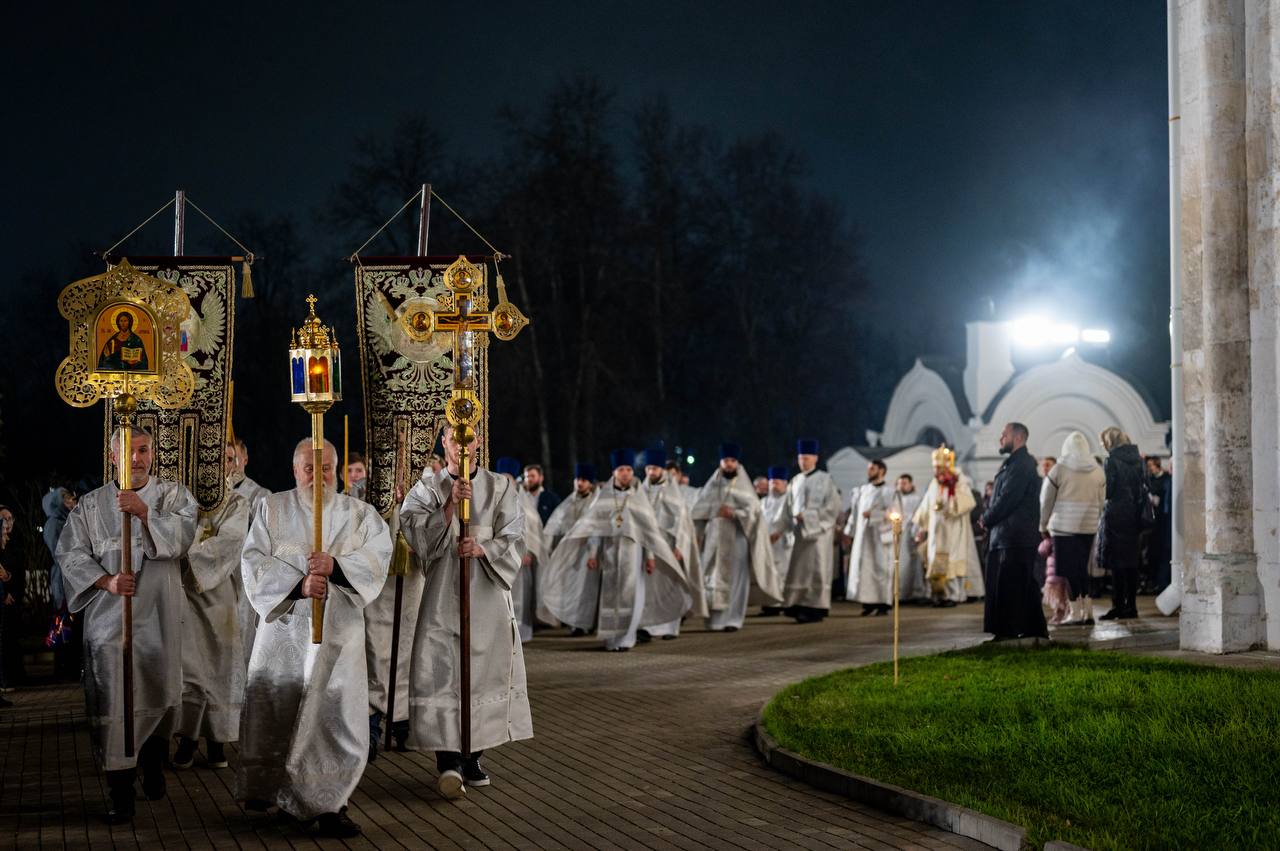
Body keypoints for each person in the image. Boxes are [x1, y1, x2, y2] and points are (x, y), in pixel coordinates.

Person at [237, 438, 390, 836]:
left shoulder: (359, 514)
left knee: (336, 718)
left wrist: (336, 566)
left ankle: (331, 804)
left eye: (325, 468)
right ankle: (286, 797)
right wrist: (298, 585)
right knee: (282, 713)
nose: (317, 476)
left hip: (339, 637)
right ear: (295, 470)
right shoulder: (271, 508)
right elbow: (252, 561)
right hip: (285, 636)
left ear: (336, 470)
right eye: (309, 468)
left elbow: (378, 556)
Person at [57, 428, 198, 823]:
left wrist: (145, 512)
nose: (137, 458)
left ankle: (153, 762)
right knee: (114, 700)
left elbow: (184, 538)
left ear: (153, 453)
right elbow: (70, 553)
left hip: (160, 616)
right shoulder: (90, 505)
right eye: (128, 451)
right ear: (112, 456)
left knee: (157, 692)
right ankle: (120, 790)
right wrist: (106, 581)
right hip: (110, 621)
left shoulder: (173, 496)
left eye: (144, 450)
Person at [399, 426, 532, 800]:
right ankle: (448, 760)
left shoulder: (500, 487)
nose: (461, 445)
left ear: (479, 442)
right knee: (441, 671)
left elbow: (515, 536)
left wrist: (483, 548)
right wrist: (449, 506)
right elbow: (414, 532)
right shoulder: (428, 488)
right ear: (444, 442)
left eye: (468, 438)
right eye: (454, 439)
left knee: (483, 673)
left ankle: (473, 756)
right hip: (442, 597)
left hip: (486, 595)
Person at [541, 450, 686, 652]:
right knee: (610, 595)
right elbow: (594, 527)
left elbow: (648, 531)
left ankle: (626, 639)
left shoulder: (639, 496)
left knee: (631, 594)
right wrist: (593, 554)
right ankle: (611, 639)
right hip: (609, 551)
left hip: (633, 552)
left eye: (628, 469)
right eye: (621, 470)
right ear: (614, 472)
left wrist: (651, 556)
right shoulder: (604, 496)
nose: (625, 473)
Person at [173, 489, 251, 770]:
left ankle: (218, 741)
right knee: (189, 668)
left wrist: (187, 554)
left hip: (218, 594)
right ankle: (188, 738)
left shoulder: (235, 501)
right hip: (181, 591)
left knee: (220, 666)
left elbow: (231, 542)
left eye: (228, 463)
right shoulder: (178, 495)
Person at [692, 443, 779, 631]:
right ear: (721, 462)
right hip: (715, 538)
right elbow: (698, 510)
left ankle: (733, 619)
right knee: (713, 577)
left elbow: (754, 511)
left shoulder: (744, 485)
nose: (729, 464)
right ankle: (715, 621)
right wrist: (699, 532)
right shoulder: (712, 484)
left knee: (738, 578)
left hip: (737, 536)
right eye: (726, 460)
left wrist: (734, 512)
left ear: (737, 463)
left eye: (732, 460)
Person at [978, 422, 1048, 640]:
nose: (1001, 438)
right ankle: (1034, 628)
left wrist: (986, 518)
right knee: (1023, 585)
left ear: (1017, 438)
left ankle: (1008, 631)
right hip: (1011, 535)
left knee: (1010, 585)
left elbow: (1008, 498)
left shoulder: (1021, 464)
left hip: (1014, 535)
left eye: (1004, 435)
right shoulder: (1015, 463)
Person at [1039, 431, 1105, 625]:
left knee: (1068, 571)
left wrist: (1043, 524)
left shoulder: (1059, 469)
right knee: (1082, 569)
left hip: (1063, 528)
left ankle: (1075, 613)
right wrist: (1094, 520)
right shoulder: (1098, 471)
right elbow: (1102, 501)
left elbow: (1046, 500)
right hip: (1088, 527)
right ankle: (1088, 612)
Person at [640, 448, 705, 639]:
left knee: (670, 586)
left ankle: (670, 628)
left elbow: (682, 519)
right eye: (649, 468)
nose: (652, 472)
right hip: (649, 545)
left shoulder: (672, 490)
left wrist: (679, 546)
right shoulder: (641, 490)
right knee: (650, 588)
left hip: (668, 544)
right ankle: (649, 627)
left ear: (662, 469)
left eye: (655, 468)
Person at [780, 439, 843, 623]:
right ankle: (797, 604)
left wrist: (807, 516)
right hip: (799, 534)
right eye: (801, 458)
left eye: (807, 458)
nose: (803, 461)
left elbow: (833, 507)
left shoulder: (825, 479)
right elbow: (788, 507)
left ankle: (815, 608)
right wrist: (789, 522)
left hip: (818, 535)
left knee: (816, 569)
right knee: (799, 570)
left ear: (815, 458)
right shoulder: (795, 480)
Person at [912, 450, 981, 608]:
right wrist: (922, 528)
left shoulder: (959, 481)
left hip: (953, 529)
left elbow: (968, 502)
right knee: (935, 562)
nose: (936, 471)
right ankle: (938, 595)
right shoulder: (934, 483)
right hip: (936, 531)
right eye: (934, 468)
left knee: (950, 562)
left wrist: (952, 504)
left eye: (938, 467)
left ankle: (953, 595)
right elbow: (925, 506)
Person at [227, 440, 270, 669]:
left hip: (244, 575)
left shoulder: (259, 495)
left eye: (234, 458)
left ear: (244, 459)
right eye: (225, 459)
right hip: (218, 574)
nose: (230, 465)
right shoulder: (211, 493)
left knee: (242, 632)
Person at [497, 457, 547, 643]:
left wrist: (527, 551)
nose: (504, 481)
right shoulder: (493, 496)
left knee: (521, 595)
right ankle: (503, 633)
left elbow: (530, 528)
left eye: (508, 478)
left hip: (519, 554)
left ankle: (521, 633)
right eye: (501, 477)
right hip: (498, 554)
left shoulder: (521, 499)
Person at [1098, 427, 1146, 620]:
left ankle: (1118, 606)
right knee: (1131, 562)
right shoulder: (1138, 459)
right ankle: (1131, 607)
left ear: (1109, 442)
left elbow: (1109, 491)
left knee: (1117, 563)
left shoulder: (1111, 460)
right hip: (1134, 515)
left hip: (1117, 514)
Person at [843, 460, 894, 616]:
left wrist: (874, 514)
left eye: (872, 468)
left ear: (882, 471)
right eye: (868, 468)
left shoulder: (890, 492)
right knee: (864, 569)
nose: (869, 471)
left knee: (881, 568)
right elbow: (854, 514)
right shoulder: (862, 491)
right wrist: (849, 533)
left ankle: (883, 603)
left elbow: (895, 514)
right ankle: (868, 602)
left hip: (881, 537)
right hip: (863, 536)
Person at [760, 466, 794, 616]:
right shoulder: (763, 502)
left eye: (777, 483)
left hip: (783, 543)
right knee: (768, 573)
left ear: (785, 484)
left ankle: (782, 603)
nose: (774, 486)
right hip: (766, 543)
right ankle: (769, 604)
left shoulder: (789, 500)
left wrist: (779, 533)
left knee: (782, 573)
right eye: (772, 482)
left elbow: (790, 521)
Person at [544, 463, 598, 551]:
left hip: (587, 550)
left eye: (584, 480)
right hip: (566, 549)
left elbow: (597, 531)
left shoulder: (595, 503)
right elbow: (551, 528)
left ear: (591, 484)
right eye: (577, 479)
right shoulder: (566, 504)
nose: (579, 483)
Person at [893, 474, 929, 602]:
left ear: (911, 484)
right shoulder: (893, 499)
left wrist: (918, 533)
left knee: (913, 564)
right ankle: (899, 593)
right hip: (896, 535)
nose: (901, 486)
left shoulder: (917, 499)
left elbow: (920, 518)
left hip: (910, 535)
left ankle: (916, 592)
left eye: (904, 483)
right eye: (899, 483)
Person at [1146, 456, 1173, 592]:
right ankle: (1156, 581)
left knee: (1164, 551)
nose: (1149, 468)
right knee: (1154, 552)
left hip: (1164, 520)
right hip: (1154, 520)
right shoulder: (1150, 479)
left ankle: (1161, 582)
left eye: (1151, 465)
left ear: (1157, 465)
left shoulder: (1167, 479)